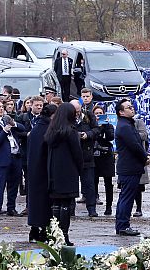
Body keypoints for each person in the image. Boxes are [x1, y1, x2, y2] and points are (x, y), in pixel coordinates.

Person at [46, 103, 82, 245]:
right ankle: (64, 235)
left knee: (56, 204)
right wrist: (80, 169)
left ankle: (56, 235)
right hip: (68, 171)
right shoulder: (70, 131)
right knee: (66, 204)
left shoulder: (51, 130)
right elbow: (77, 153)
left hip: (54, 170)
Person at [0, 97, 25, 217]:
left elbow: (22, 129)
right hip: (3, 157)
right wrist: (4, 130)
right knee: (0, 183)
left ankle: (11, 208)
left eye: (2, 107)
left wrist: (14, 124)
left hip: (16, 156)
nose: (1, 109)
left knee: (14, 184)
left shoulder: (7, 119)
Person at [113, 99, 145, 237]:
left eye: (132, 106)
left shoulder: (127, 124)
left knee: (125, 197)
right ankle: (123, 225)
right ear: (121, 112)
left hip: (129, 167)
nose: (132, 109)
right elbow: (135, 145)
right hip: (129, 167)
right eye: (128, 107)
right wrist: (145, 157)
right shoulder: (124, 126)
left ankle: (122, 224)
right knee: (126, 197)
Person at [26, 102, 55, 242]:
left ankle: (34, 229)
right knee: (44, 203)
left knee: (34, 201)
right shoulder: (48, 130)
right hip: (44, 170)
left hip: (33, 170)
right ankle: (43, 230)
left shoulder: (36, 128)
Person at [74, 96, 100, 216]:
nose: (77, 113)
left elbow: (96, 130)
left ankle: (91, 209)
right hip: (72, 157)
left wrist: (88, 134)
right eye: (75, 111)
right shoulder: (66, 117)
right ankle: (70, 209)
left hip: (87, 155)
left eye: (78, 110)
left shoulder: (88, 115)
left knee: (89, 184)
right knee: (71, 184)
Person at [91, 105, 116, 215]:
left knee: (108, 182)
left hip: (106, 156)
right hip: (95, 155)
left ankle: (109, 206)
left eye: (100, 113)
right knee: (93, 181)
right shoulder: (91, 126)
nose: (98, 116)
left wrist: (104, 126)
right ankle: (93, 203)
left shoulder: (109, 126)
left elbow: (111, 137)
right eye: (96, 113)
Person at [134, 115, 149, 217]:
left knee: (138, 187)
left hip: (138, 158)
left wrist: (130, 134)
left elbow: (144, 135)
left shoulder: (138, 122)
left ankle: (138, 208)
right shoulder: (122, 123)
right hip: (127, 160)